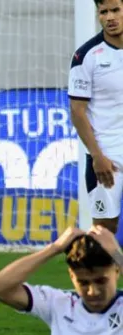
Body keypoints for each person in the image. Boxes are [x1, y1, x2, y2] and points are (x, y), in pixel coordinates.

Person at [69, 0, 123, 232]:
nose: (109, 17)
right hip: (107, 157)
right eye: (103, 12)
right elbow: (77, 111)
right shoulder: (86, 56)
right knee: (103, 232)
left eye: (115, 10)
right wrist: (97, 156)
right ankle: (110, 269)